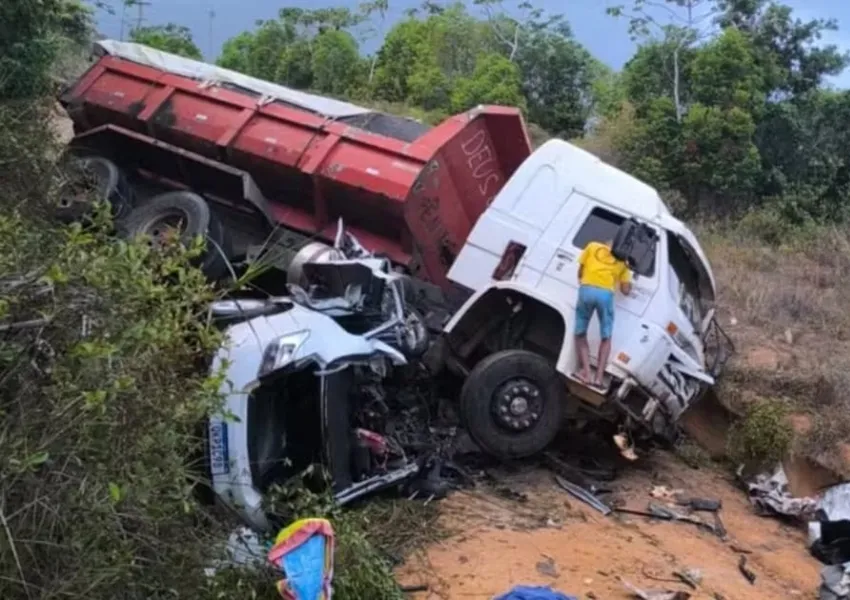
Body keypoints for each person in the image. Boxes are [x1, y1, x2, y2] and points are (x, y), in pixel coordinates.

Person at [573, 238, 632, 387]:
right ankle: (598, 378)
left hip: (586, 290)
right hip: (605, 295)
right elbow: (625, 291)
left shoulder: (592, 246)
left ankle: (586, 373)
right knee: (606, 337)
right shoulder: (623, 261)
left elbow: (580, 272)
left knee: (580, 333)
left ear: (606, 244)